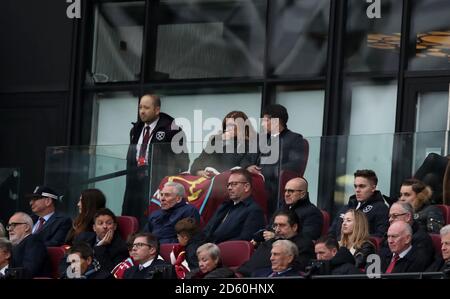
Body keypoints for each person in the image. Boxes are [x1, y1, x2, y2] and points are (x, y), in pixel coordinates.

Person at [122, 94, 189, 222]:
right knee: (134, 215)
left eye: (146, 108)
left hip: (157, 181)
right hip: (136, 179)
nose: (142, 111)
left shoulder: (172, 130)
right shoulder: (136, 129)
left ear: (157, 110)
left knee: (153, 216)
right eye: (140, 107)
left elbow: (183, 161)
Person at [247, 104, 308, 218]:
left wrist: (264, 171)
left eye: (266, 120)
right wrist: (249, 167)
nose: (262, 124)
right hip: (254, 182)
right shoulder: (261, 138)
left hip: (275, 184)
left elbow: (296, 164)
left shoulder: (295, 139)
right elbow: (247, 158)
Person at [237, 210, 314, 277]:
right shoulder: (270, 242)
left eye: (282, 225)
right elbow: (251, 264)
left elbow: (296, 269)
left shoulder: (304, 244)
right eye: (275, 225)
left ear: (294, 227)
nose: (277, 230)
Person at [203, 168, 266, 243]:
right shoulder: (224, 206)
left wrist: (212, 249)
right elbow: (206, 232)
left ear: (246, 187)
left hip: (224, 252)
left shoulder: (254, 211)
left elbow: (244, 241)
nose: (229, 188)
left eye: (234, 184)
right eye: (229, 184)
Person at [190, 111, 258, 178]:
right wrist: (198, 172)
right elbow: (199, 161)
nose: (227, 128)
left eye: (232, 125)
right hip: (210, 181)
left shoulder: (251, 142)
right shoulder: (217, 140)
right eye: (226, 125)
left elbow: (241, 166)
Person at [329, 169, 389, 238]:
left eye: (362, 186)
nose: (357, 190)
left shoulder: (381, 209)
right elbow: (331, 233)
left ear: (373, 188)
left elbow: (380, 237)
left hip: (361, 247)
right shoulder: (346, 208)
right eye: (355, 186)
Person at [379, 202, 434, 270]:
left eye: (395, 216)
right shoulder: (387, 236)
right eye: (389, 216)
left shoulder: (422, 239)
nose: (390, 219)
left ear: (408, 217)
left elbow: (414, 269)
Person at [73, 208, 128, 272]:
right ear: (94, 228)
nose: (105, 226)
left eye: (109, 223)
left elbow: (110, 272)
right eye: (100, 223)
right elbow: (67, 259)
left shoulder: (121, 248)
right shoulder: (83, 238)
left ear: (115, 226)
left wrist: (100, 247)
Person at [7, 212, 50, 278]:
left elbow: (29, 271)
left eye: (14, 225)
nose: (9, 229)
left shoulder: (34, 241)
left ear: (26, 227)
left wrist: (5, 273)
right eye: (9, 226)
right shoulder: (15, 245)